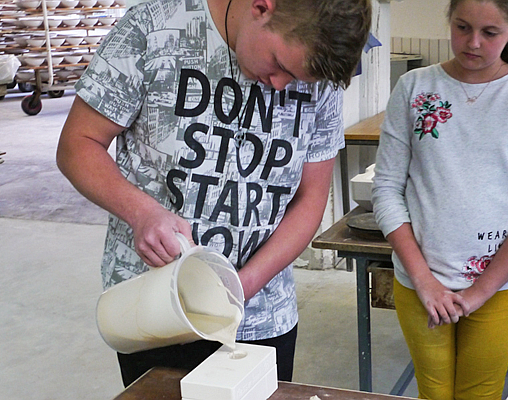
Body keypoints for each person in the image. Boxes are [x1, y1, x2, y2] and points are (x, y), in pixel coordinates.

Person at [57, 0, 371, 387]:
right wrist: (141, 212)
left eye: (296, 80)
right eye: (279, 66)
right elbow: (77, 144)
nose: (279, 86)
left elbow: (310, 200)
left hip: (261, 317)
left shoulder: (315, 73)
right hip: (155, 307)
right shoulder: (154, 29)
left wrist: (242, 287)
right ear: (261, 7)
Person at [371, 0, 508, 398]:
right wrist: (424, 281)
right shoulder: (414, 87)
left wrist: (480, 291)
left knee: (481, 392)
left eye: (489, 33)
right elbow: (387, 188)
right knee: (434, 391)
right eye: (462, 27)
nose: (472, 42)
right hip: (421, 281)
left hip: (499, 285)